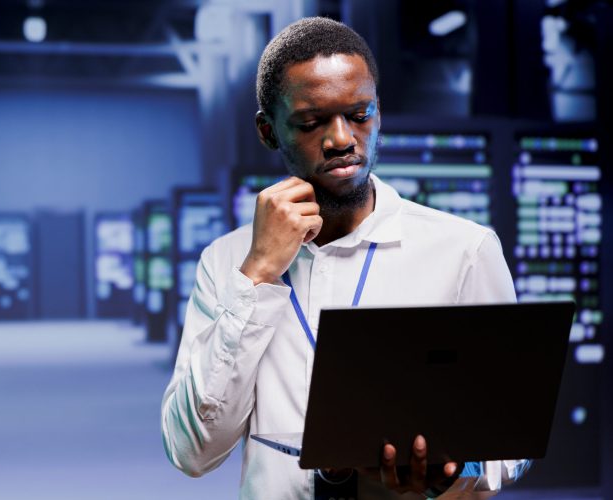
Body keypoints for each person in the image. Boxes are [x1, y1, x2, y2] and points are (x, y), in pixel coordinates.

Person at [161, 17, 530, 499]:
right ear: (267, 131)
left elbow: (514, 437)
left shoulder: (464, 249)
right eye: (311, 122)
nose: (341, 139)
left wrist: (459, 472)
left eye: (359, 114)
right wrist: (258, 275)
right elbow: (192, 451)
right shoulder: (228, 260)